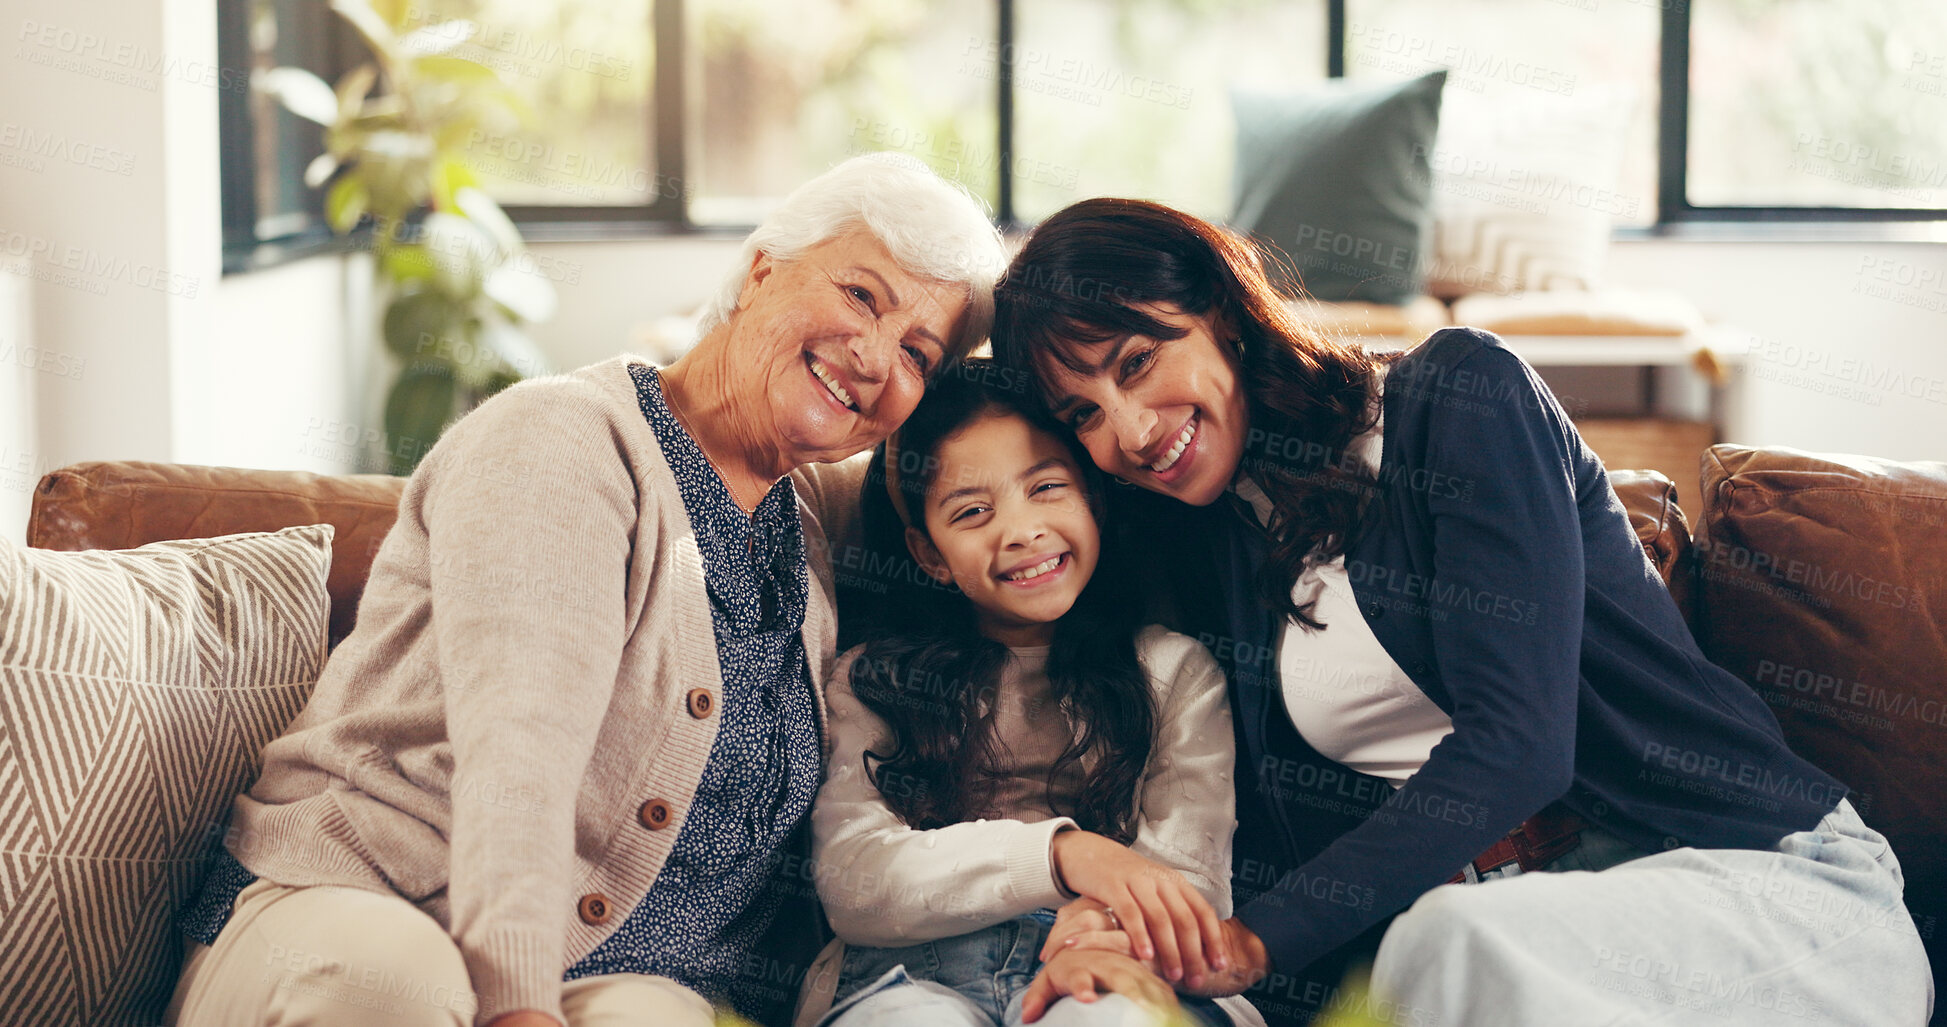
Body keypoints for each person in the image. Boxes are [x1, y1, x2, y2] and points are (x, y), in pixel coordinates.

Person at [989, 198, 1935, 1026]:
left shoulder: (1455, 396)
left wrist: (1253, 942)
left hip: (1765, 896)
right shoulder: (1217, 545)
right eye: (1082, 414)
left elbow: (1521, 743)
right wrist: (1110, 922)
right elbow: (1213, 810)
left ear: (1221, 313)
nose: (1131, 428)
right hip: (1523, 956)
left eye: (1138, 361)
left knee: (1445, 947)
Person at [165, 153, 1006, 1027]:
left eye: (918, 351)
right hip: (374, 904)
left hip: (614, 972)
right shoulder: (562, 443)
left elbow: (998, 486)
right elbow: (518, 756)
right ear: (759, 271)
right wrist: (517, 1006)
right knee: (397, 987)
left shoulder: (803, 517)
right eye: (861, 295)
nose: (874, 356)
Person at [804, 360, 1261, 1027]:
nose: (1020, 530)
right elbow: (853, 879)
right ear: (928, 553)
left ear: (1092, 499)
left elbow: (1188, 884)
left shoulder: (1171, 670)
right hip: (908, 977)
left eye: (1046, 487)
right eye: (971, 511)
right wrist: (1064, 853)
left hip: (1115, 964)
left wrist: (1101, 936)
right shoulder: (873, 680)